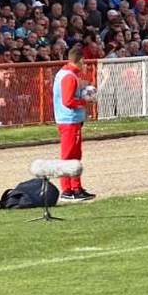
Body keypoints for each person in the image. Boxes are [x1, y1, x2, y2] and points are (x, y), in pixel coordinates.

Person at [52, 45, 95, 201]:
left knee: (75, 155)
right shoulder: (69, 76)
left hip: (70, 119)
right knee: (69, 155)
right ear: (80, 60)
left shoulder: (66, 74)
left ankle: (75, 188)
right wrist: (85, 102)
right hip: (69, 120)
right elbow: (68, 101)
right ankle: (67, 190)